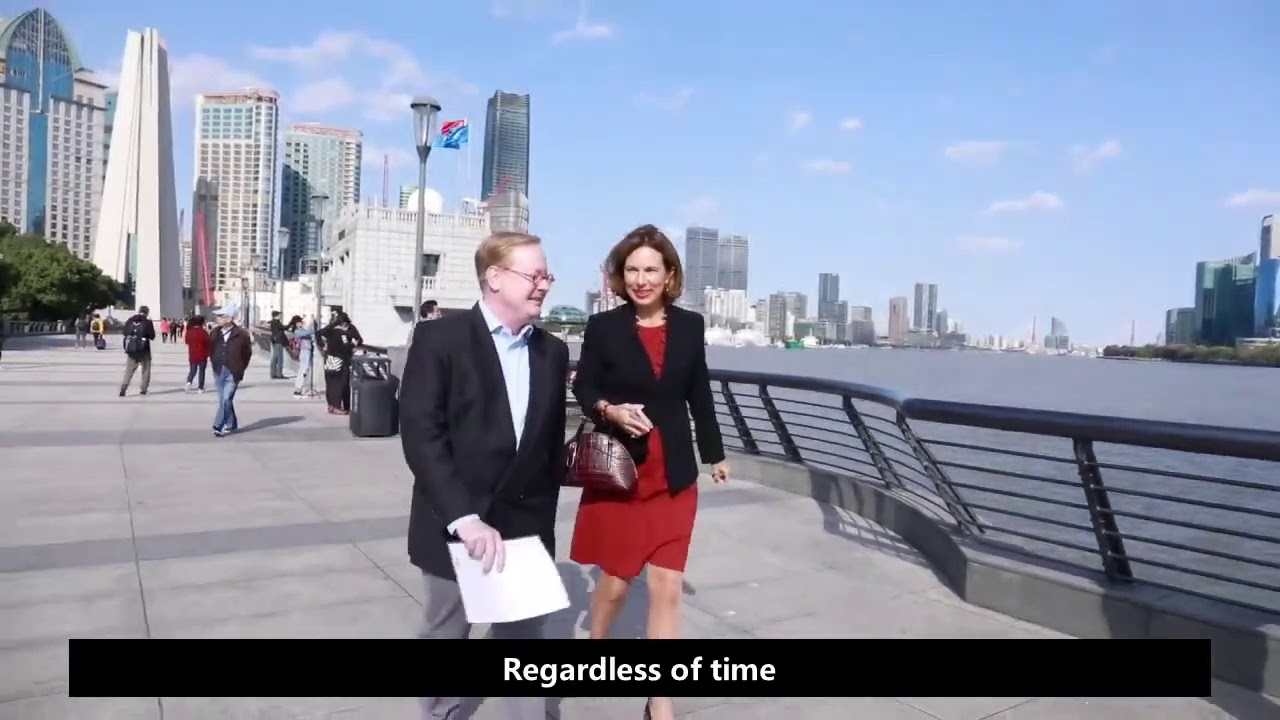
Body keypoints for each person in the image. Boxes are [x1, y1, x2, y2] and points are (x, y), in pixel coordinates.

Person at [400, 231, 568, 720]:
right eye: (533, 274)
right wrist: (464, 518)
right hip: (456, 522)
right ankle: (442, 712)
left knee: (523, 641)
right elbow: (421, 436)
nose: (542, 285)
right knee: (446, 631)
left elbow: (545, 442)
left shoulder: (552, 353)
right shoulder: (440, 340)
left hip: (523, 525)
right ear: (494, 277)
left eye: (546, 276)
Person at [569, 224, 729, 720]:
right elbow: (584, 386)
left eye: (651, 270)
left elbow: (698, 392)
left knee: (666, 588)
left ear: (670, 275)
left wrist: (714, 453)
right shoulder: (604, 328)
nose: (641, 279)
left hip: (675, 474)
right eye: (632, 270)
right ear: (621, 276)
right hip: (625, 472)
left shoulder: (691, 326)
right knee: (615, 584)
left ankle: (660, 699)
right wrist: (608, 410)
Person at [208, 305, 252, 437]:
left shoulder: (242, 334)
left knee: (226, 399)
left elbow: (247, 353)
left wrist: (240, 368)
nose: (218, 318)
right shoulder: (215, 332)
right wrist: (214, 361)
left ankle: (218, 425)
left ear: (230, 318)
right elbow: (210, 348)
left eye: (222, 316)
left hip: (233, 371)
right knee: (224, 400)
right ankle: (231, 423)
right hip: (219, 369)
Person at [318, 311, 362, 415]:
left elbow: (319, 333)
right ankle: (336, 406)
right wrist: (352, 345)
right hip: (340, 360)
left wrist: (323, 346)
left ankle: (334, 405)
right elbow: (345, 346)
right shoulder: (340, 333)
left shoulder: (333, 331)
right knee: (340, 384)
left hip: (331, 359)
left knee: (332, 383)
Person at [119, 306, 157, 397]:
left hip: (131, 350)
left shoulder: (130, 320)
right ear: (147, 312)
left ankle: (124, 388)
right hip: (144, 349)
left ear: (139, 311)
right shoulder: (147, 322)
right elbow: (152, 336)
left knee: (129, 370)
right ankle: (143, 389)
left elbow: (124, 333)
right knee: (146, 370)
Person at [290, 314, 317, 398]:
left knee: (305, 370)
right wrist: (312, 323)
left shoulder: (301, 329)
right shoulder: (297, 331)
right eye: (300, 322)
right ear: (296, 323)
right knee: (303, 370)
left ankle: (301, 388)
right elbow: (309, 332)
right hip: (304, 351)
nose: (302, 323)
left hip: (308, 350)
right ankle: (298, 389)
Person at [184, 315, 211, 393]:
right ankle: (200, 387)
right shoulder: (203, 332)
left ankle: (189, 381)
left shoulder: (189, 332)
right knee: (201, 371)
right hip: (202, 354)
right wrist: (209, 353)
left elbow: (187, 341)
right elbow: (208, 343)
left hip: (192, 354)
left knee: (193, 370)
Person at [268, 310, 287, 379]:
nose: (280, 316)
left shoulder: (272, 322)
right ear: (277, 316)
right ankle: (279, 374)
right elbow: (284, 328)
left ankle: (273, 373)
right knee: (279, 358)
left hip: (275, 341)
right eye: (279, 315)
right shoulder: (276, 323)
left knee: (275, 357)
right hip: (278, 341)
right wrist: (291, 324)